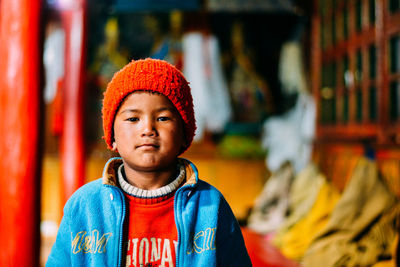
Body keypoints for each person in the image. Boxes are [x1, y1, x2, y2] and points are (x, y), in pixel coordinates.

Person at [46, 58, 252, 266]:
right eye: (133, 119)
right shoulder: (84, 206)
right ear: (112, 135)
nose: (148, 129)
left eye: (162, 118)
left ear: (184, 133)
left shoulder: (211, 206)